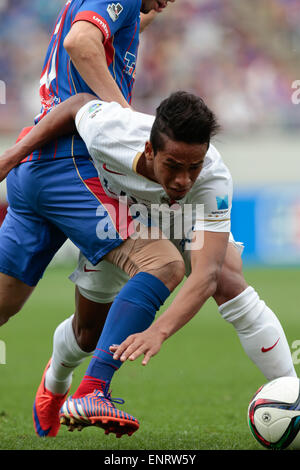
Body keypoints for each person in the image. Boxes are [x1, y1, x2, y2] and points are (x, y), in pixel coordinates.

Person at [1, 91, 296, 438]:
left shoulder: (213, 180)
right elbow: (76, 104)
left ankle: (292, 394)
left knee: (228, 277)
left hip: (179, 221)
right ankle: (56, 380)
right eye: (172, 165)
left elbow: (206, 275)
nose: (184, 180)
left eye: (194, 167)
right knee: (88, 333)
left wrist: (160, 330)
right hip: (117, 216)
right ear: (150, 150)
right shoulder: (113, 131)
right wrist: (12, 156)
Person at [0, 0, 177, 438]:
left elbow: (102, 30)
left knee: (74, 323)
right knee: (164, 263)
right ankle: (93, 388)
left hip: (40, 161)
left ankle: (61, 383)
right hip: (74, 165)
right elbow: (81, 42)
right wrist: (126, 120)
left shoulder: (121, 10)